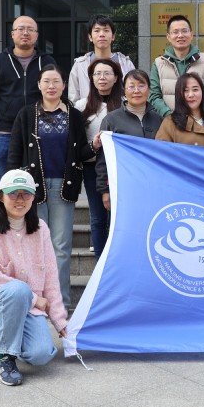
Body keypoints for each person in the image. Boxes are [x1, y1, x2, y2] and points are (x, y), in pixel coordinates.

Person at [0, 169, 68, 386]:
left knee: (41, 355)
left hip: (27, 308)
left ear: (34, 198)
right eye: (13, 193)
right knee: (19, 289)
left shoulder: (41, 229)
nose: (20, 199)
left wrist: (60, 322)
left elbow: (50, 278)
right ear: (0, 197)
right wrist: (33, 298)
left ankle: (14, 335)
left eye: (26, 194)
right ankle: (5, 359)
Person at [7, 64, 96, 309]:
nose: (51, 86)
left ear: (64, 85)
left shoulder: (74, 115)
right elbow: (14, 153)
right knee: (34, 245)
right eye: (46, 81)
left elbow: (81, 152)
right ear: (39, 85)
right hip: (31, 189)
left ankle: (60, 304)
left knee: (61, 248)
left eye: (56, 81)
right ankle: (36, 301)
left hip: (63, 187)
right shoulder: (26, 114)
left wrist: (95, 145)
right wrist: (14, 187)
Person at [0, 16, 56, 188]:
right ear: (12, 34)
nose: (25, 33)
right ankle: (1, 206)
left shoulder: (47, 61)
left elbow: (57, 93)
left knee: (38, 180)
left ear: (36, 35)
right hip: (7, 131)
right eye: (21, 29)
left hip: (40, 129)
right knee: (5, 181)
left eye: (30, 29)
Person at [73, 58, 123, 258]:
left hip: (121, 169)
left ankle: (117, 260)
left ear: (116, 77)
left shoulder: (126, 104)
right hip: (93, 169)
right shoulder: (81, 106)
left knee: (119, 217)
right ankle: (100, 262)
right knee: (98, 217)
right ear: (91, 78)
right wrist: (93, 145)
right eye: (97, 74)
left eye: (107, 73)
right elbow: (77, 147)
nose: (102, 78)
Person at [95, 69, 163, 212]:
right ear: (124, 91)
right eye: (131, 86)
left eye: (141, 86)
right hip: (122, 188)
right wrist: (104, 190)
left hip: (154, 186)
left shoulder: (158, 120)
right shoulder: (111, 120)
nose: (136, 91)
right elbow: (103, 158)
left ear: (149, 89)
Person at [149, 15, 204, 117]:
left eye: (184, 31)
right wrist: (170, 117)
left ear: (191, 34)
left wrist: (195, 118)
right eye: (175, 32)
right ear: (168, 37)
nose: (180, 35)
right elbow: (154, 96)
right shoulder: (158, 64)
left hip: (199, 122)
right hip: (168, 122)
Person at [68, 14, 136, 103]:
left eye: (106, 30)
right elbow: (73, 99)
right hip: (87, 111)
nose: (101, 34)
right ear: (90, 37)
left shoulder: (126, 63)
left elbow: (134, 93)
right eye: (97, 30)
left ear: (113, 36)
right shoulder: (80, 65)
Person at [155, 72, 204, 147]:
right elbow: (160, 151)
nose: (191, 95)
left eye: (195, 89)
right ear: (179, 94)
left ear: (202, 92)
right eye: (185, 90)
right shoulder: (170, 123)